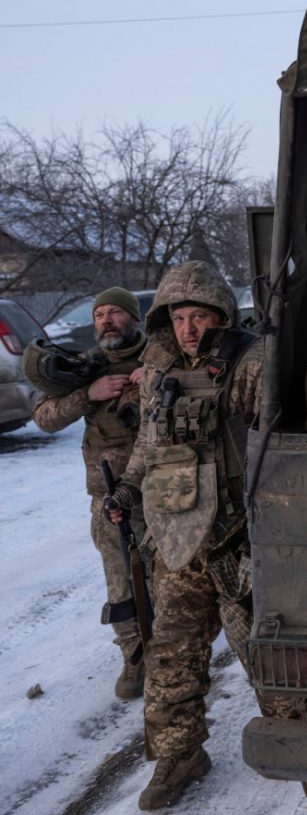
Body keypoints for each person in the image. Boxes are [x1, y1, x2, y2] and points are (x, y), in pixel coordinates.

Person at [103, 261, 260, 811]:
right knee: (169, 655)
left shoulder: (250, 361)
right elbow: (147, 445)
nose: (188, 327)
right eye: (179, 316)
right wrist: (125, 491)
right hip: (180, 537)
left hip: (241, 539)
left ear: (220, 315)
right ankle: (179, 756)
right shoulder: (158, 368)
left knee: (265, 655)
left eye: (199, 315)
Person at [25, 288, 148, 699]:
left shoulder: (158, 358)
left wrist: (150, 382)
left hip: (163, 492)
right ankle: (134, 658)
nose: (107, 320)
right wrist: (87, 395)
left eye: (116, 312)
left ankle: (172, 654)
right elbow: (43, 418)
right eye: (100, 315)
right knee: (121, 583)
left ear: (134, 318)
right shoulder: (84, 368)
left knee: (168, 578)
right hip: (108, 498)